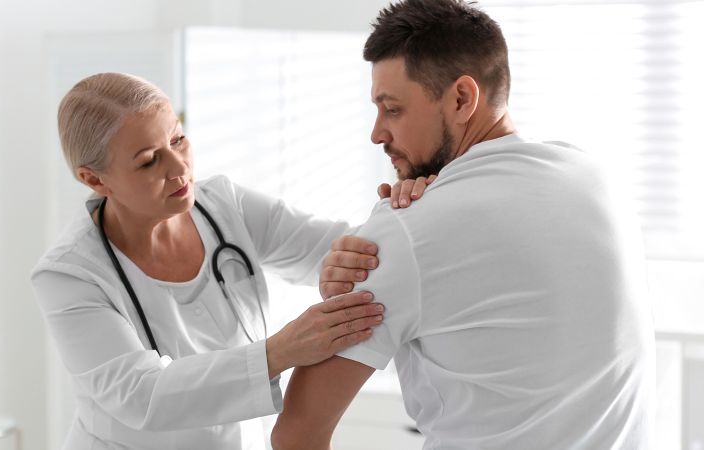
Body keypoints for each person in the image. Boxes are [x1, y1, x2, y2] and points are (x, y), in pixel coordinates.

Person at [272, 1, 655, 449]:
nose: (377, 133)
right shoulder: (593, 178)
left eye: (391, 109)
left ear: (461, 99)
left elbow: (296, 435)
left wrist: (399, 226)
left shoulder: (403, 232)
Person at [31, 72, 430, 449]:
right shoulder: (69, 275)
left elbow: (348, 251)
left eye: (178, 139)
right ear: (95, 180)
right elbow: (140, 396)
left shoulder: (223, 205)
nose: (179, 168)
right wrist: (281, 351)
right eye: (149, 160)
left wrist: (411, 208)